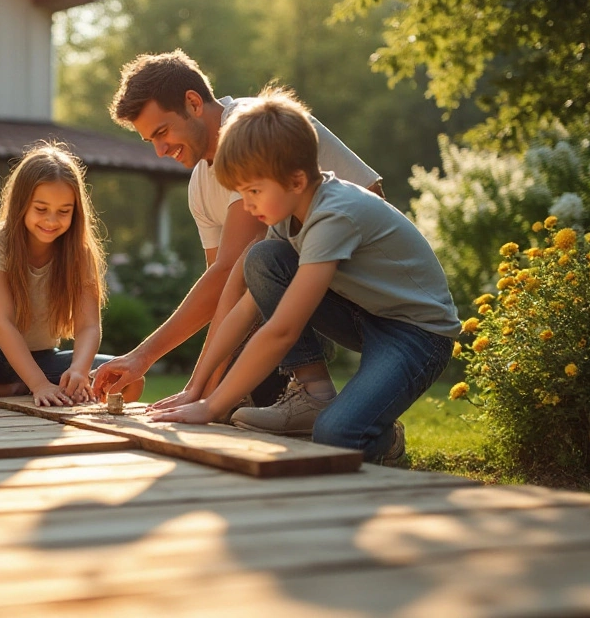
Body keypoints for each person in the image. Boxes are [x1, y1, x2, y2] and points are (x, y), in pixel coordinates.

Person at [146, 87, 460, 464]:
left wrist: (213, 407)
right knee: (261, 258)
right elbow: (245, 309)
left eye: (253, 191)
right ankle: (314, 394)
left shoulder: (334, 214)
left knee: (336, 433)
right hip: (365, 314)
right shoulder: (289, 216)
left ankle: (382, 437)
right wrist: (196, 389)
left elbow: (281, 330)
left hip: (416, 333)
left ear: (295, 180)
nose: (246, 205)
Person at [92, 50, 382, 413]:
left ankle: (312, 394)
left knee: (261, 262)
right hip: (300, 290)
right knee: (232, 401)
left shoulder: (249, 128)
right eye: (150, 140)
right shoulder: (200, 181)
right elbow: (225, 288)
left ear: (194, 103)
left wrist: (150, 360)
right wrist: (200, 389)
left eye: (162, 132)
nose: (160, 151)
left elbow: (237, 268)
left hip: (364, 292)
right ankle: (293, 403)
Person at [0, 142, 139, 406]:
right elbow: (3, 325)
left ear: (76, 211)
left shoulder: (80, 253)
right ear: (21, 203)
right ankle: (15, 389)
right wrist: (36, 384)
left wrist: (79, 371)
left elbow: (89, 326)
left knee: (128, 380)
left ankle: (40, 386)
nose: (51, 220)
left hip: (42, 356)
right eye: (41, 209)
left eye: (63, 211)